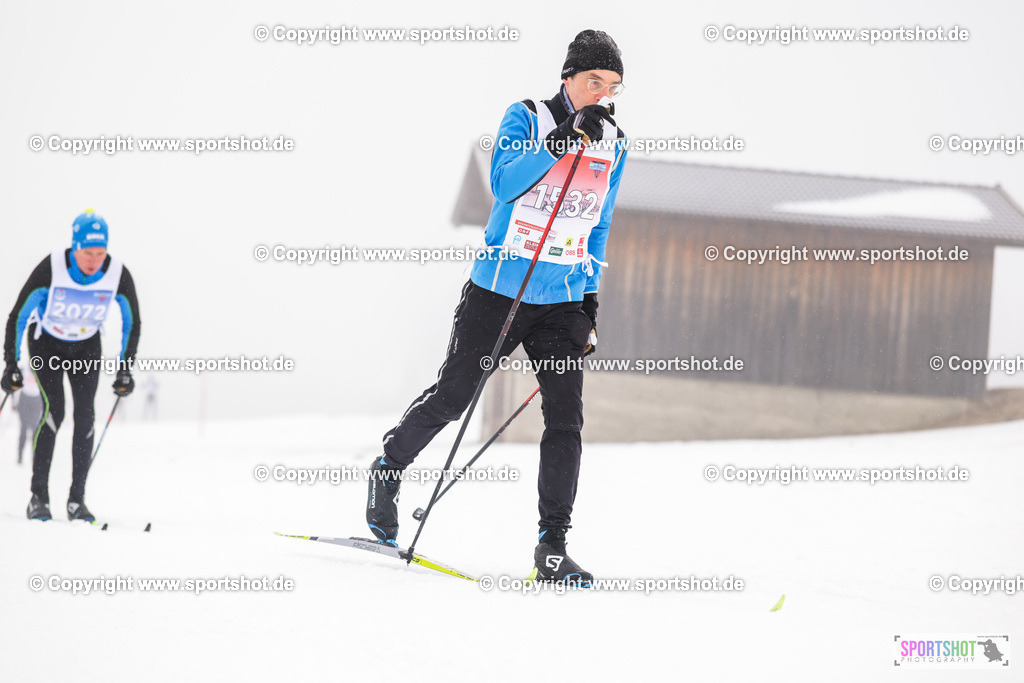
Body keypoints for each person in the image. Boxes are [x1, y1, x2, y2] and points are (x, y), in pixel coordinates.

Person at [366, 30, 628, 584]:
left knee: (565, 420)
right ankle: (390, 467)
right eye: (594, 82)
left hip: (559, 301)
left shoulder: (615, 144)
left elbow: (598, 225)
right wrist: (562, 139)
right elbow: (504, 185)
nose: (603, 96)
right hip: (498, 289)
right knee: (454, 397)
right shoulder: (527, 116)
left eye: (613, 87)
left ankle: (551, 545)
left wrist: (590, 306)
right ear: (569, 78)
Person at [2, 209, 142, 522]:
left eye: (100, 253)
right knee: (55, 410)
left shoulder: (117, 273)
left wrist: (125, 367)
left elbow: (132, 322)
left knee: (86, 414)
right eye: (87, 253)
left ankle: (77, 502)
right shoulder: (51, 268)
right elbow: (18, 316)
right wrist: (11, 362)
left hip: (86, 346)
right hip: (46, 343)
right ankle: (39, 498)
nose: (94, 261)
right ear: (74, 247)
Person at [14, 360, 43, 464]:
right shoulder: (23, 370)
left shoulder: (41, 371)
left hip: (36, 402)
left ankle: (34, 456)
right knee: (24, 428)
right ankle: (20, 455)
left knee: (35, 429)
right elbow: (14, 385)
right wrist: (13, 402)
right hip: (24, 401)